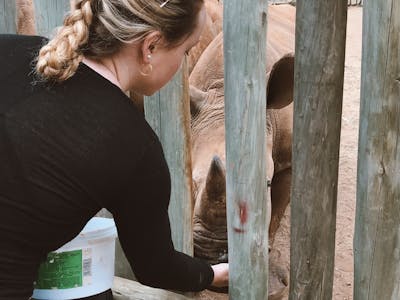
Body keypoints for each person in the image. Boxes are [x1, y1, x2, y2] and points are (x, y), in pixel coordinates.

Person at [0, 0, 229, 299]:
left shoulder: (8, 47)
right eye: (185, 51)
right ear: (151, 47)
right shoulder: (137, 148)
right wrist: (210, 273)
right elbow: (155, 266)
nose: (182, 62)